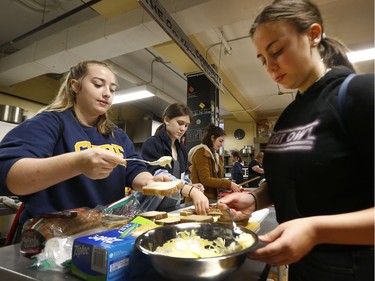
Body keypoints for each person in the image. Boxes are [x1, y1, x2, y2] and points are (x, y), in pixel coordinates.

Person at [218, 1, 374, 280]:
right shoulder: (290, 115)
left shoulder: (361, 93)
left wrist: (315, 230)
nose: (270, 67)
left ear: (314, 34)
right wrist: (257, 198)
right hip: (304, 268)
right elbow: (292, 182)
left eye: (277, 51)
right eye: (263, 59)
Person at [0, 60, 170, 224]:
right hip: (53, 239)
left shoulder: (116, 134)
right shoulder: (50, 123)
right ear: (76, 85)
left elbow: (133, 169)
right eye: (98, 84)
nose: (107, 93)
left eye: (112, 89)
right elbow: (8, 175)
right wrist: (78, 163)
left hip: (103, 232)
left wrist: (148, 181)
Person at [136, 103, 210, 214]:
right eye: (180, 123)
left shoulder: (182, 150)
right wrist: (190, 190)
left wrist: (191, 185)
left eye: (186, 125)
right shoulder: (152, 144)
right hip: (150, 208)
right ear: (166, 120)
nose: (183, 129)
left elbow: (183, 176)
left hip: (171, 209)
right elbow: (160, 176)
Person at [188, 124, 242, 200]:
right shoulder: (201, 152)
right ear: (212, 138)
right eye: (220, 141)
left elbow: (216, 178)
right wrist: (228, 184)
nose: (221, 144)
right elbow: (205, 179)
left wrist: (227, 185)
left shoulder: (215, 155)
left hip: (209, 198)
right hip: (199, 197)